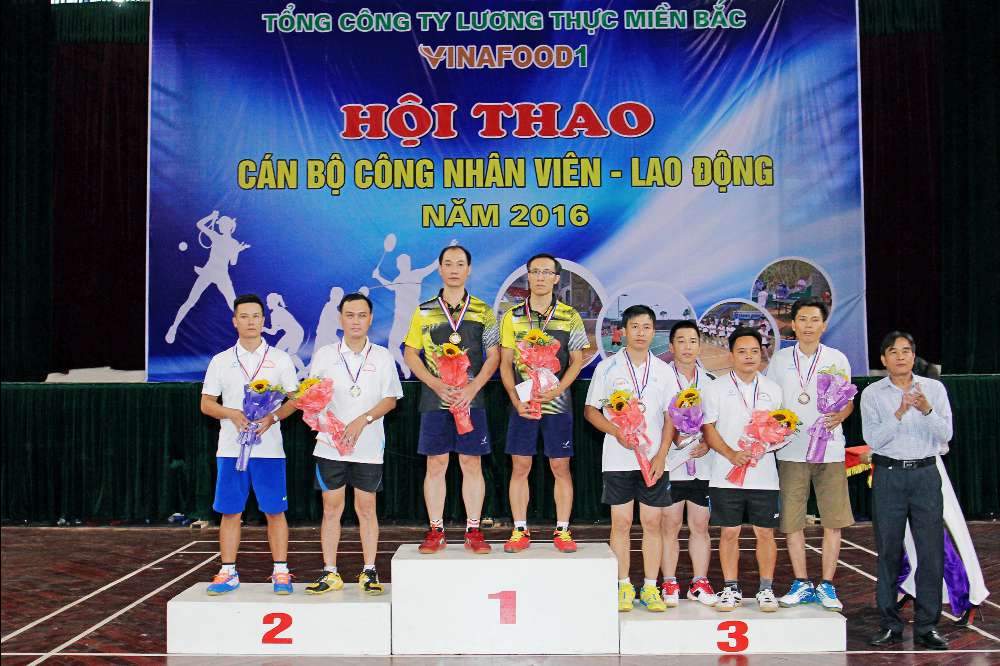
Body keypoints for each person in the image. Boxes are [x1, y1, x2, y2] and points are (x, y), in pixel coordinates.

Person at [199, 294, 300, 595]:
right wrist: (231, 413)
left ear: (263, 321)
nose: (251, 322)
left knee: (274, 511)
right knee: (230, 512)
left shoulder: (280, 359)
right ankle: (228, 571)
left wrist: (273, 417)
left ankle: (280, 571)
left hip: (269, 451)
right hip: (231, 450)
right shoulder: (221, 361)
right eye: (244, 316)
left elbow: (295, 399)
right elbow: (206, 404)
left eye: (256, 316)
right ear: (235, 321)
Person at [403, 245, 500, 554]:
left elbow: (494, 356)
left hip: (472, 401)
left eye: (460, 264)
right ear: (440, 269)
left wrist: (473, 388)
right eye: (448, 264)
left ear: (469, 270)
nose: (454, 269)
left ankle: (474, 530)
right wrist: (434, 383)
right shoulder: (424, 311)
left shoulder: (483, 311)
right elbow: (410, 353)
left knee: (471, 463)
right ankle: (436, 530)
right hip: (435, 400)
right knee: (436, 463)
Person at [304, 293, 402, 596]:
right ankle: (330, 572)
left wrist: (364, 419)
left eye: (361, 315)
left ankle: (369, 570)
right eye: (350, 315)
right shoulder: (324, 355)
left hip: (368, 446)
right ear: (340, 318)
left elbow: (390, 399)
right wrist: (322, 419)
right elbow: (312, 396)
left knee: (366, 508)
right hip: (330, 446)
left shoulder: (382, 357)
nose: (356, 321)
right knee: (331, 508)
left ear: (370, 319)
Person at [862, 331, 953, 650]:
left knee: (931, 552)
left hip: (926, 475)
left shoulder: (934, 390)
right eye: (893, 351)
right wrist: (899, 412)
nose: (900, 356)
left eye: (905, 351)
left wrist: (927, 410)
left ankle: (928, 626)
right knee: (888, 551)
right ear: (883, 359)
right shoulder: (873, 394)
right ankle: (890, 624)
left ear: (914, 356)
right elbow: (873, 440)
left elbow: (946, 434)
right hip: (889, 476)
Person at [765, 297, 854, 611]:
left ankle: (827, 585)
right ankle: (801, 582)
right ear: (793, 324)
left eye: (814, 320)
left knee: (833, 519)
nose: (808, 326)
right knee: (792, 520)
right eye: (802, 319)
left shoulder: (837, 359)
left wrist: (841, 415)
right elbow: (770, 402)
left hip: (830, 450)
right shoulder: (780, 360)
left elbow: (848, 401)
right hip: (791, 451)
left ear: (824, 325)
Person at [499, 253, 590, 553]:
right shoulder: (512, 316)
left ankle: (562, 530)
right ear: (528, 276)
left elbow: (577, 361)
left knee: (560, 465)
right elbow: (505, 363)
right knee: (520, 465)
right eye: (535, 271)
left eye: (546, 272)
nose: (540, 277)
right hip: (523, 402)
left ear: (556, 279)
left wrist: (558, 390)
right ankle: (519, 529)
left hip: (557, 402)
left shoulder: (570, 316)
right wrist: (515, 400)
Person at [585, 305, 672, 613]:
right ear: (623, 331)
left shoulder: (664, 371)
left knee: (652, 522)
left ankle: (650, 587)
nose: (640, 333)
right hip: (618, 459)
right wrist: (616, 432)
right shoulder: (607, 368)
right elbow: (591, 411)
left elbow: (671, 417)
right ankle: (623, 585)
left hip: (653, 461)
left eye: (646, 327)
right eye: (634, 327)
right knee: (620, 523)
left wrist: (661, 455)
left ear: (654, 332)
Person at [701, 327, 783, 612]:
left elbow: (783, 428)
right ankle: (730, 588)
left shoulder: (773, 390)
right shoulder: (715, 388)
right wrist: (731, 454)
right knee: (729, 533)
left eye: (754, 351)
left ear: (762, 355)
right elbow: (708, 428)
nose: (749, 356)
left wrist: (768, 445)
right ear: (731, 355)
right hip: (726, 475)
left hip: (764, 476)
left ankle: (766, 589)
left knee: (765, 534)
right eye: (742, 351)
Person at [660, 320, 719, 607]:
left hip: (702, 465)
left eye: (692, 341)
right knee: (669, 525)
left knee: (700, 525)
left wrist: (708, 442)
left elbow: (716, 421)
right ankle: (669, 582)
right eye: (681, 341)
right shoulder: (661, 379)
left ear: (699, 345)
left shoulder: (710, 382)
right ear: (671, 346)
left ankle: (699, 582)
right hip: (671, 464)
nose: (687, 347)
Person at [166, 211, 249, 344]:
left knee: (234, 305)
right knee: (190, 301)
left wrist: (237, 251)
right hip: (208, 272)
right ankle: (174, 328)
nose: (219, 226)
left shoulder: (234, 243)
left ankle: (248, 333)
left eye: (221, 224)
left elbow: (233, 262)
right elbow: (199, 225)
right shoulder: (215, 236)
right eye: (219, 224)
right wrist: (211, 217)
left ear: (228, 226)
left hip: (222, 275)